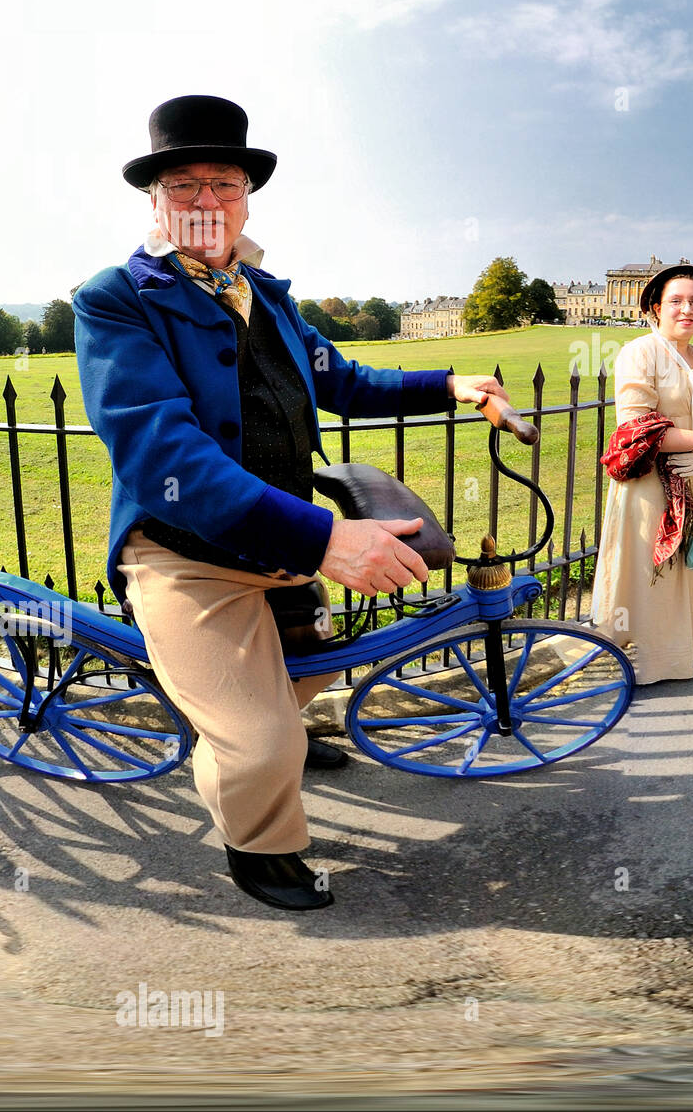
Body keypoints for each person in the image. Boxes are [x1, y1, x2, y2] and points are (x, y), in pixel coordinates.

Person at [77, 95, 501, 912]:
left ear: (246, 194)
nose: (207, 202)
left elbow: (340, 379)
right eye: (186, 185)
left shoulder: (265, 292)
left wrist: (448, 383)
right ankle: (259, 849)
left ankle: (273, 725)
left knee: (307, 673)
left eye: (224, 183)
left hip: (277, 546)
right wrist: (324, 542)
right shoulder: (115, 299)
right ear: (154, 199)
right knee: (260, 740)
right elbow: (164, 455)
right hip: (186, 555)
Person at [594, 261, 693, 685]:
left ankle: (684, 650)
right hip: (651, 485)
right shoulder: (641, 352)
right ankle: (651, 661)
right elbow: (635, 427)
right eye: (676, 301)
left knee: (684, 568)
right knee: (654, 570)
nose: (687, 309)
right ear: (655, 307)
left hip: (691, 480)